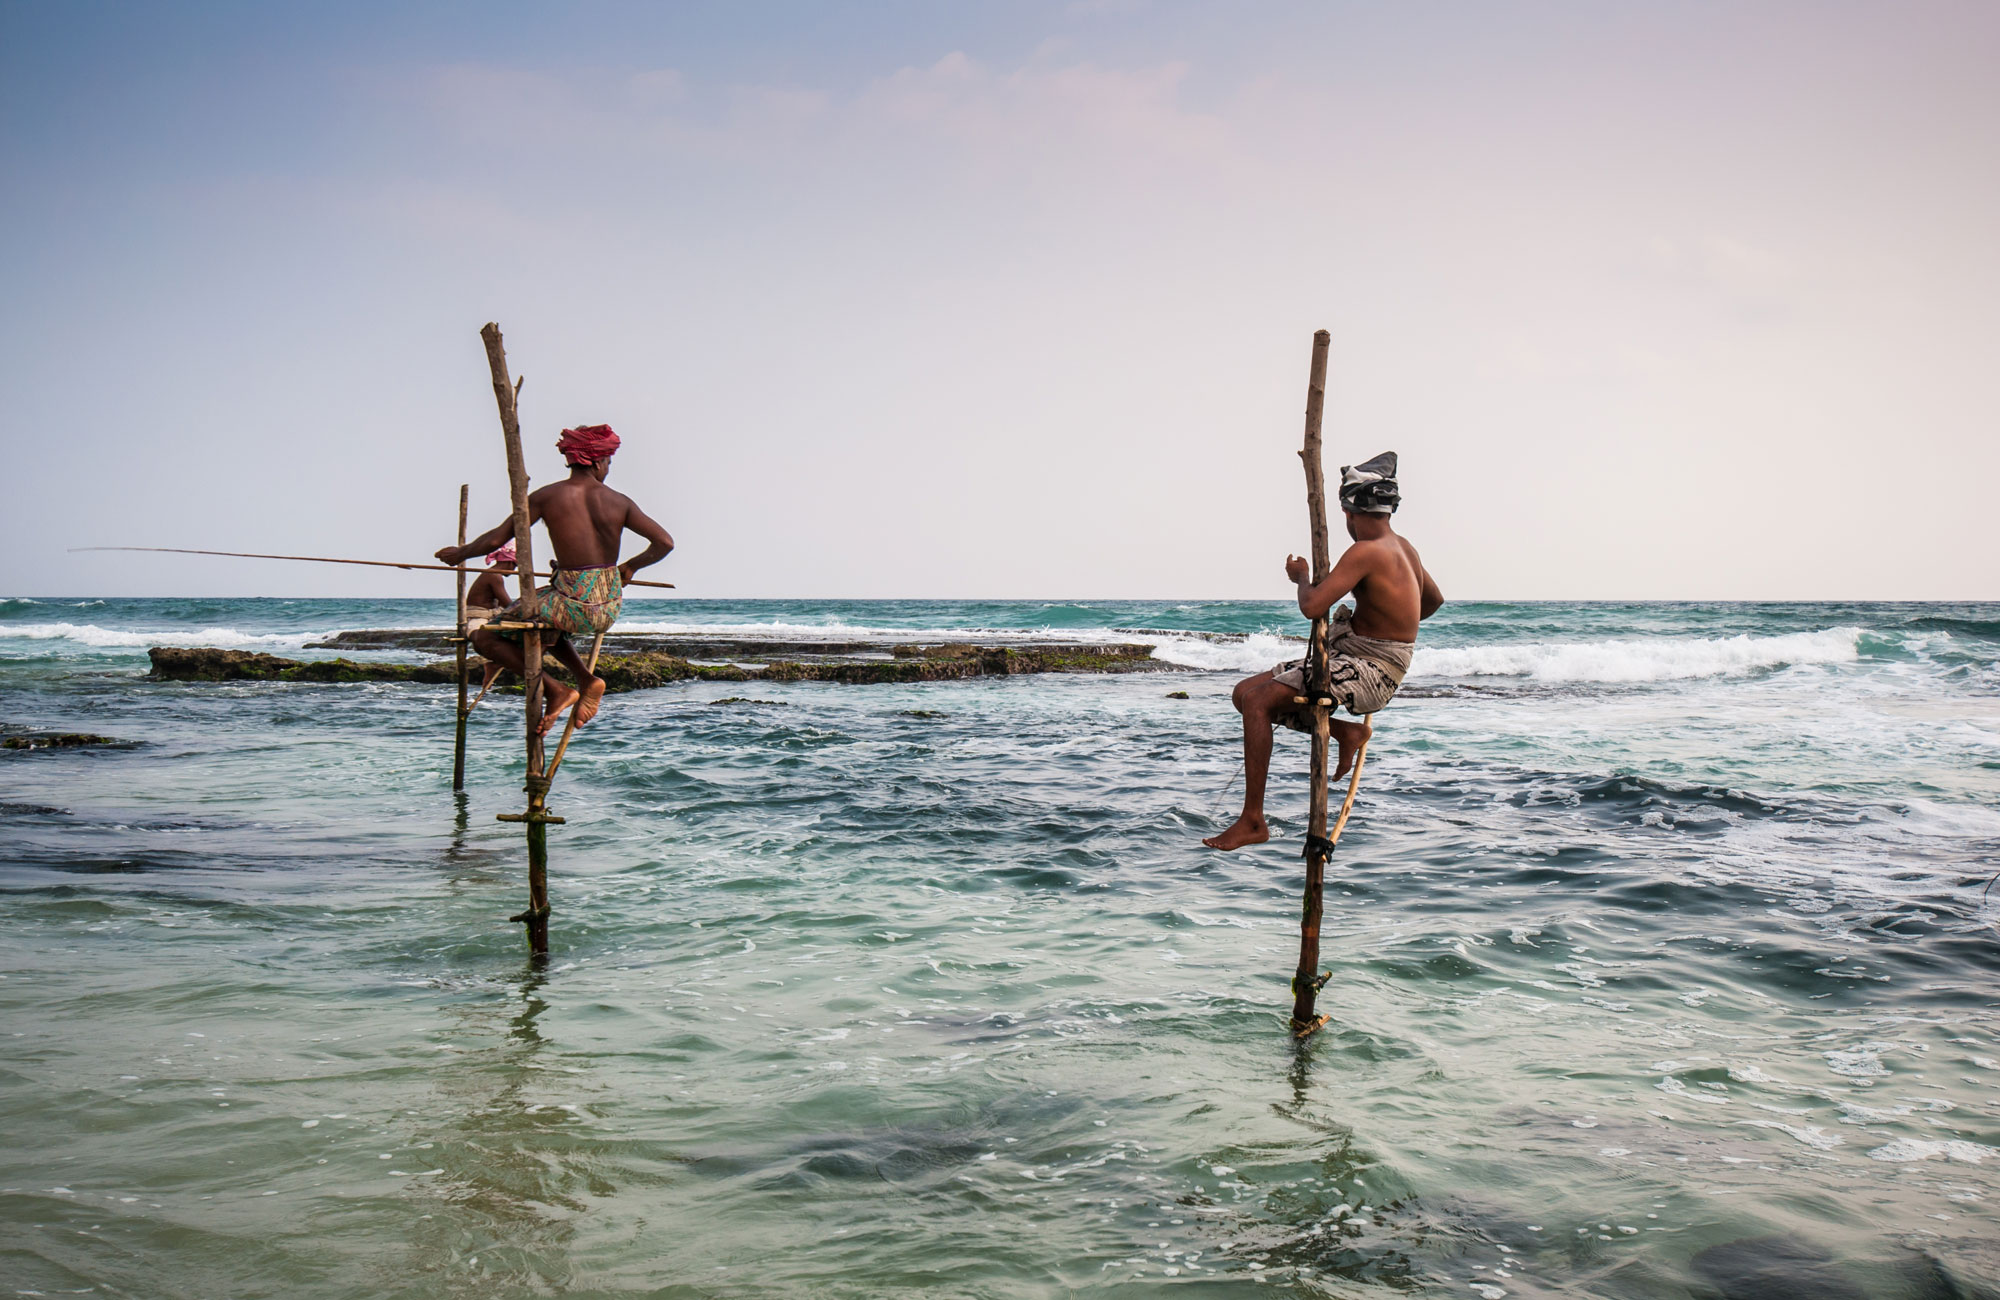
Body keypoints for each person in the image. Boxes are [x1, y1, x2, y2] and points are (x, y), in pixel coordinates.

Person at [1203, 451, 1443, 851]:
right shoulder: (1404, 547)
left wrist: (1301, 579)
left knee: (1260, 702)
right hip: (1364, 653)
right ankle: (1346, 731)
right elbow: (1432, 601)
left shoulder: (1366, 551)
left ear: (1350, 512)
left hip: (1372, 667)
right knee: (1244, 694)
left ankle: (1252, 820)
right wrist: (1381, 619)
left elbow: (1313, 606)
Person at [436, 423, 674, 734]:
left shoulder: (547, 497)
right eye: (609, 463)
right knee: (547, 622)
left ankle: (556, 690)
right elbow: (665, 543)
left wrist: (461, 554)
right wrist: (629, 568)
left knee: (484, 637)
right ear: (597, 461)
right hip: (608, 605)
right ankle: (586, 679)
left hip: (572, 603)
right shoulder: (621, 501)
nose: (608, 469)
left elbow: (496, 539)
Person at [463, 544, 516, 707]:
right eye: (515, 566)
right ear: (509, 563)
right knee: (481, 636)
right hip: (477, 617)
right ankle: (491, 663)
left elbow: (502, 605)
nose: (514, 570)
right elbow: (508, 605)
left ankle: (494, 662)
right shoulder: (495, 576)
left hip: (490, 615)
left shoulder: (493, 576)